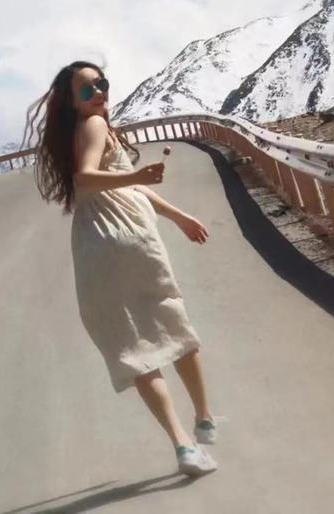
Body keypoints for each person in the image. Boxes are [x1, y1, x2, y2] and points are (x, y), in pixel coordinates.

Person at [21, 60, 219, 476]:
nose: (98, 93)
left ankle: (183, 445)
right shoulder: (94, 126)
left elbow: (123, 183)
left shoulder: (82, 131)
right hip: (128, 235)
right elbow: (87, 178)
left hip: (93, 246)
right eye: (87, 90)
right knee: (172, 322)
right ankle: (204, 418)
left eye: (101, 84)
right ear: (74, 103)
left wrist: (175, 214)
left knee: (134, 345)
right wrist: (139, 179)